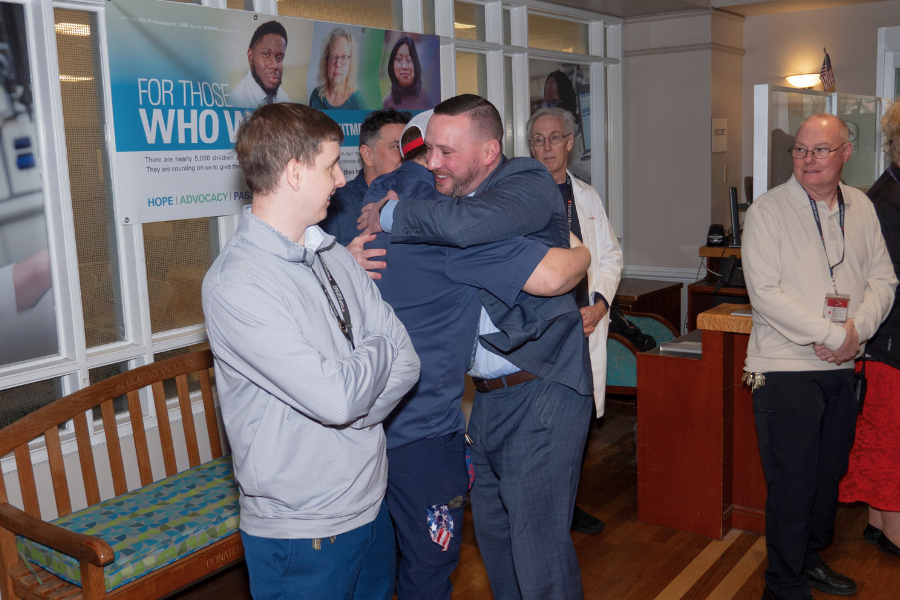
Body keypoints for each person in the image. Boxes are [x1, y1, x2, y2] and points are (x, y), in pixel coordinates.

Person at [360, 94, 594, 600]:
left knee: (537, 549)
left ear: (489, 153)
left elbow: (536, 263)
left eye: (446, 151)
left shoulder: (525, 181)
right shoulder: (452, 207)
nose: (432, 162)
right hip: (487, 398)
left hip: (541, 386)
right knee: (496, 542)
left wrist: (394, 217)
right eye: (428, 151)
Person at [201, 103, 420, 600]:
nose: (342, 180)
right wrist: (376, 349)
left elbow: (407, 363)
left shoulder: (331, 255)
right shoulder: (237, 284)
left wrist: (361, 415)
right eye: (330, 167)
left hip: (370, 505)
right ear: (295, 173)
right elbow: (336, 397)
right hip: (302, 532)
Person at [742, 113, 897, 600]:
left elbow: (883, 280)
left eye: (820, 150)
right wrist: (833, 333)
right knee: (792, 484)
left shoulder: (863, 208)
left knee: (827, 478)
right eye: (801, 150)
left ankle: (807, 561)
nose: (808, 160)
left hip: (843, 364)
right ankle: (783, 585)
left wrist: (855, 332)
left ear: (845, 153)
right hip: (784, 368)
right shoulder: (768, 211)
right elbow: (765, 294)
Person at [527, 106, 623, 535]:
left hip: (584, 322)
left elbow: (609, 256)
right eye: (537, 140)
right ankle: (547, 511)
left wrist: (600, 304)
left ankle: (568, 503)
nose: (545, 147)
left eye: (553, 138)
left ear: (569, 142)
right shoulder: (521, 197)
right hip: (545, 330)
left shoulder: (586, 196)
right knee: (543, 424)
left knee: (579, 419)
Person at [838, 100, 900, 559]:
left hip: (888, 343)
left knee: (885, 439)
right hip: (889, 344)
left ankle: (880, 525)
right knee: (891, 443)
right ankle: (893, 531)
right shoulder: (887, 202)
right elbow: (884, 285)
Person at [320, 109, 410, 246]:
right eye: (397, 147)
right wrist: (346, 263)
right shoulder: (334, 208)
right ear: (368, 155)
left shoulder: (422, 199)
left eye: (409, 147)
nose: (407, 155)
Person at [541, 70, 588, 183]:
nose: (549, 110)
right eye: (546, 104)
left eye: (553, 103)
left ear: (566, 103)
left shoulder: (581, 140)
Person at [230, 21, 290, 109]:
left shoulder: (283, 97)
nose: (274, 66)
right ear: (250, 56)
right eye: (266, 54)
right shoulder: (237, 101)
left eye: (279, 58)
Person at [309, 28, 365, 110]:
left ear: (351, 63)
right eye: (333, 57)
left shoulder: (358, 102)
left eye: (344, 57)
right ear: (326, 61)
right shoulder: (315, 97)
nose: (338, 64)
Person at [382, 36, 434, 111]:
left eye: (409, 60)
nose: (404, 66)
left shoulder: (425, 98)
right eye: (399, 59)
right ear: (392, 66)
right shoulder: (387, 103)